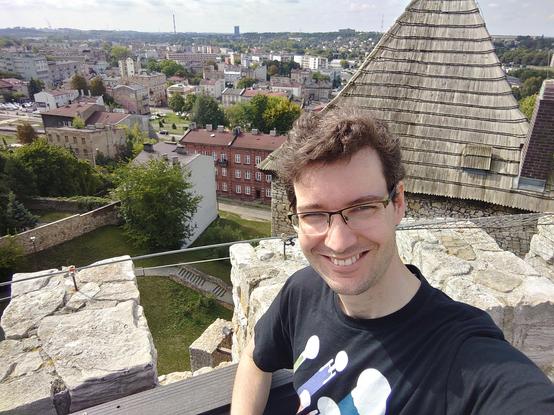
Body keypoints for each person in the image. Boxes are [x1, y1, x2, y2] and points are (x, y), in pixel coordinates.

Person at [231, 108, 554, 414]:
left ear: (397, 202)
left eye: (362, 207)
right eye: (314, 214)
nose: (338, 242)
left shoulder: (463, 354)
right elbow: (254, 357)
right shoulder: (303, 292)